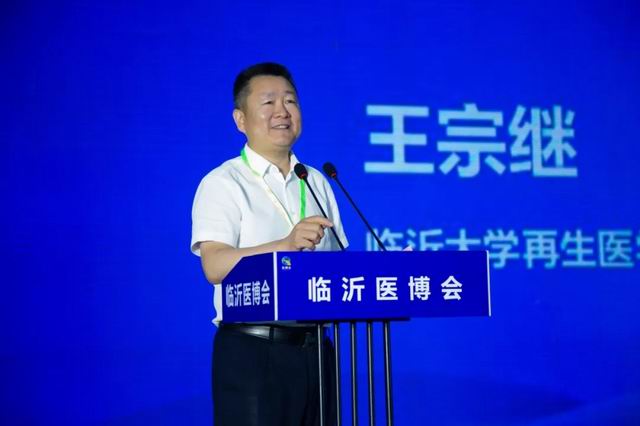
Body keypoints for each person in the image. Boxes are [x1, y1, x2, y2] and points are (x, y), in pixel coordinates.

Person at [190, 62, 348, 426]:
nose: (282, 111)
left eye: (290, 101)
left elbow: (338, 263)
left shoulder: (316, 181)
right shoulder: (224, 182)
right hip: (254, 351)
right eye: (268, 102)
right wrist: (285, 244)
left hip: (316, 350)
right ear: (240, 119)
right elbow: (214, 265)